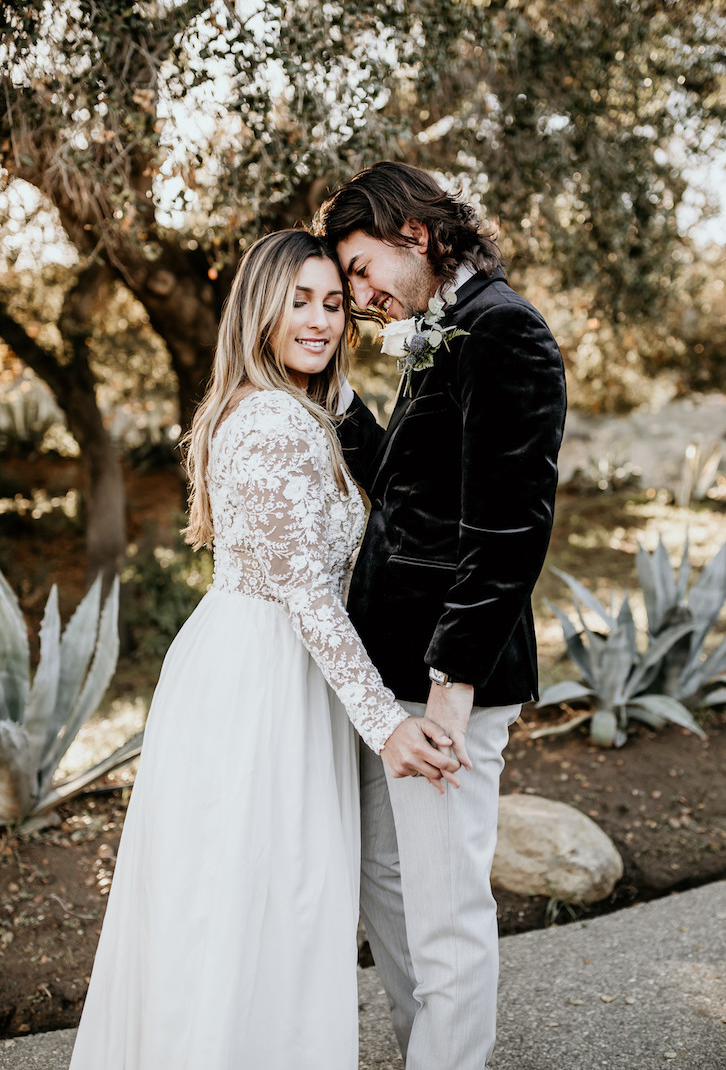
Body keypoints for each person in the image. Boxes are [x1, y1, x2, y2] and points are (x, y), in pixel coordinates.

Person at [68, 229, 460, 1070]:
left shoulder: (286, 408)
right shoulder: (275, 420)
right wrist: (386, 722)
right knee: (257, 898)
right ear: (260, 309)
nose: (321, 321)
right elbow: (309, 595)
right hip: (262, 683)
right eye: (300, 301)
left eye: (331, 303)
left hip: (273, 668)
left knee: (263, 901)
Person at [315, 162, 567, 1070]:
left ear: (412, 234)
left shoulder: (506, 331)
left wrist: (449, 691)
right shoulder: (442, 331)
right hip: (390, 682)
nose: (358, 295)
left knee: (446, 905)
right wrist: (341, 407)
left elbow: (508, 529)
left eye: (357, 268)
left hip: (445, 681)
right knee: (385, 884)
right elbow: (408, 495)